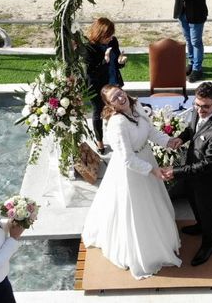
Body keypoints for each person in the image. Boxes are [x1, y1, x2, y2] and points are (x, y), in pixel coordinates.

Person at [80, 85, 183, 279]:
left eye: (120, 93)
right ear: (110, 105)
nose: (120, 98)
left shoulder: (136, 106)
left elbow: (151, 132)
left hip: (146, 157)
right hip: (132, 171)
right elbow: (127, 160)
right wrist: (153, 171)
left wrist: (169, 141)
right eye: (114, 98)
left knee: (155, 203)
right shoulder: (117, 124)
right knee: (137, 210)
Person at [163, 81, 212, 266]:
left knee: (207, 211)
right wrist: (181, 138)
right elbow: (192, 129)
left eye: (206, 107)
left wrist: (175, 171)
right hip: (192, 172)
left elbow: (207, 165)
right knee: (193, 201)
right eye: (198, 105)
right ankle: (200, 226)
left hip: (207, 180)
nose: (200, 110)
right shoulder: (198, 108)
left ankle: (210, 243)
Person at [81, 17, 127, 154]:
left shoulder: (113, 41)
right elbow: (90, 72)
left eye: (111, 35)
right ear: (99, 34)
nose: (110, 38)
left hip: (113, 82)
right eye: (107, 36)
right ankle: (100, 142)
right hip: (97, 86)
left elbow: (116, 62)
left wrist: (121, 62)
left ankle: (120, 138)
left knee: (118, 109)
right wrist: (105, 61)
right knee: (98, 112)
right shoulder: (88, 48)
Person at [166, 0, 211, 82]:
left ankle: (197, 69)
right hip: (182, 10)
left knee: (196, 41)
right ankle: (192, 63)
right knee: (188, 39)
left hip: (197, 11)